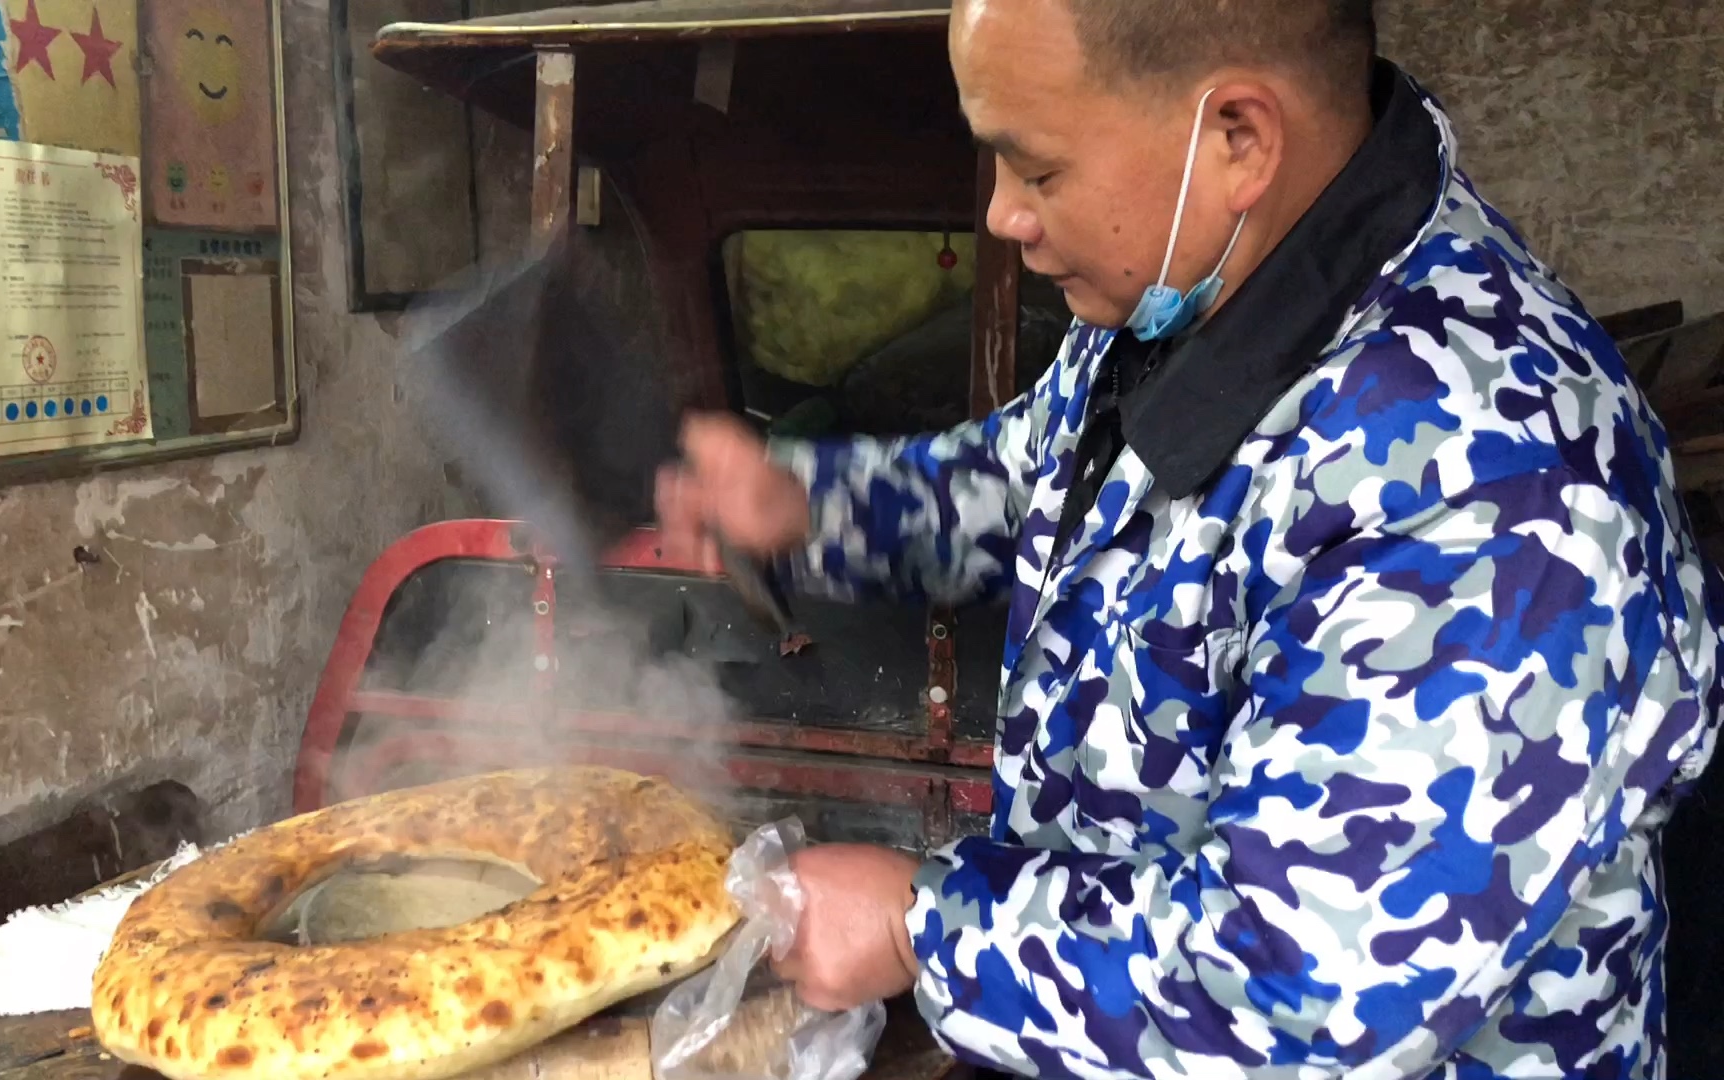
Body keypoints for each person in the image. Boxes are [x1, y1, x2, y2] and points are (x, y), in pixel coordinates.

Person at [652, 0, 1724, 1076]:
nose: (1001, 218)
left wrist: (920, 932)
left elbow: (1304, 995)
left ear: (1239, 141)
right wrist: (810, 509)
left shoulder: (1495, 487)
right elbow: (1042, 479)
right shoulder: (1185, 288)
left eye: (1038, 171)